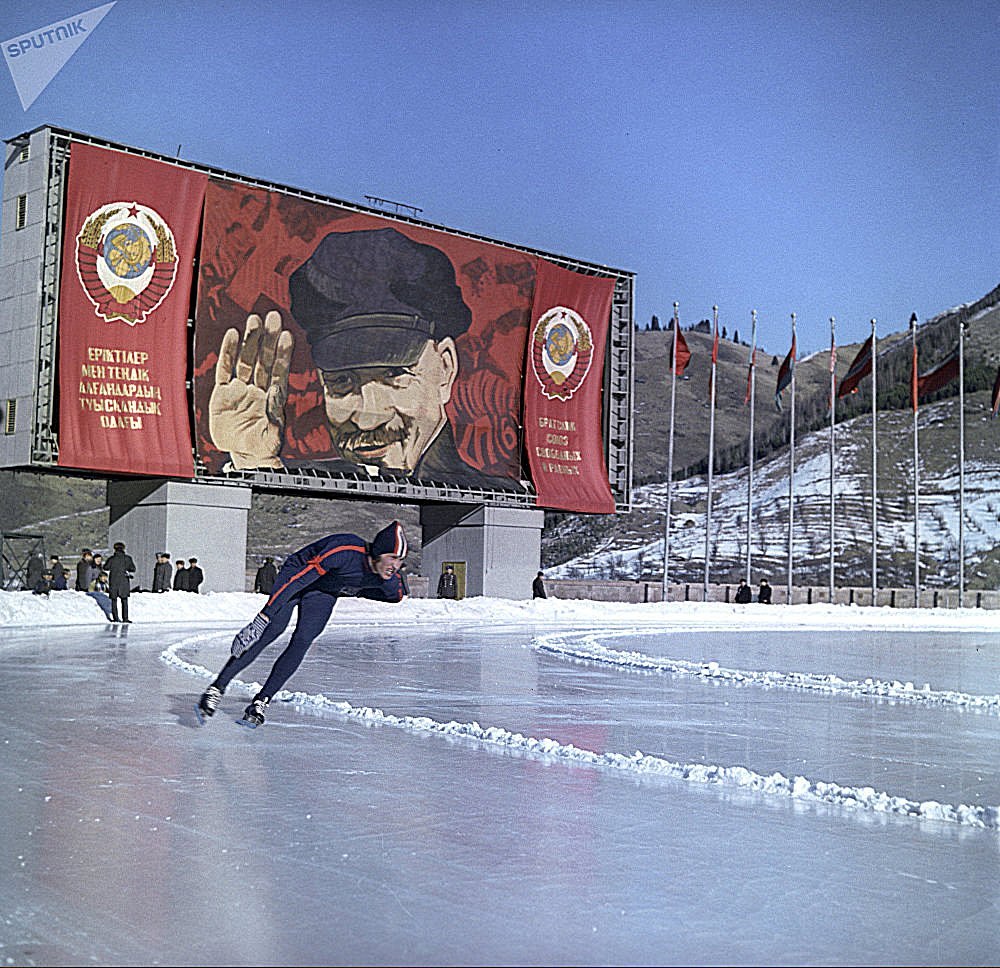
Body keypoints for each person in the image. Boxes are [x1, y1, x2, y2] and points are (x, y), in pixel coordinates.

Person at [208, 227, 514, 488]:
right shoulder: (306, 479)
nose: (369, 417)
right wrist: (253, 459)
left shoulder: (498, 491)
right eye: (342, 381)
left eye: (395, 375)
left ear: (445, 368)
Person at [196, 520, 408, 728]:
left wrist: (355, 589)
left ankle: (261, 701)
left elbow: (396, 596)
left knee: (303, 640)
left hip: (324, 591)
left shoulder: (387, 579)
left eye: (400, 561)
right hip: (297, 576)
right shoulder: (345, 549)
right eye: (392, 558)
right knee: (270, 631)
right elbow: (299, 579)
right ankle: (217, 687)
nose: (395, 566)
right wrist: (263, 617)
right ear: (378, 552)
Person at [105, 541, 136, 623]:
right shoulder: (128, 558)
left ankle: (116, 618)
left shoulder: (111, 559)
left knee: (114, 601)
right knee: (124, 601)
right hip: (124, 582)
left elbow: (106, 567)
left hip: (114, 582)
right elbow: (133, 568)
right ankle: (125, 618)